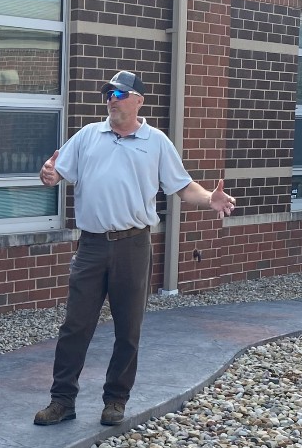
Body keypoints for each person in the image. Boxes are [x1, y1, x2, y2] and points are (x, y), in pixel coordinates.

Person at [33, 70, 236, 427]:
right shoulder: (87, 136)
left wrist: (210, 199)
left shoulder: (156, 141)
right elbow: (55, 172)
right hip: (92, 245)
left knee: (128, 328)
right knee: (75, 327)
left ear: (139, 100)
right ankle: (62, 400)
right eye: (109, 92)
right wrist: (49, 174)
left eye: (120, 93)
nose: (112, 98)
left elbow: (183, 186)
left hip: (133, 245)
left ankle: (116, 400)